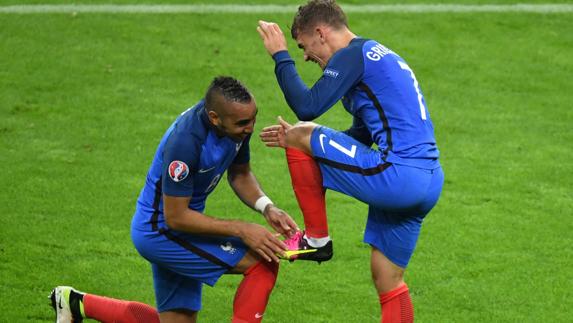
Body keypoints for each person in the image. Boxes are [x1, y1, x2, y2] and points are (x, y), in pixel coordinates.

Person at [50, 76, 300, 323]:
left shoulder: (234, 125)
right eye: (243, 122)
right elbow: (176, 217)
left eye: (254, 118)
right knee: (261, 263)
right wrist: (242, 229)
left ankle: (74, 303)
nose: (251, 128)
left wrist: (267, 208)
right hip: (161, 231)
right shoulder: (185, 142)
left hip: (186, 225)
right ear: (214, 118)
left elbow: (240, 173)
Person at [257, 0, 444, 322]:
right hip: (428, 181)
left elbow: (307, 106)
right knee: (388, 280)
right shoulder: (377, 56)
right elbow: (362, 133)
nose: (304, 55)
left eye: (303, 46)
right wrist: (313, 145)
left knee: (302, 131)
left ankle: (316, 239)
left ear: (320, 32)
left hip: (396, 174)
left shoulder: (352, 56)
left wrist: (279, 56)